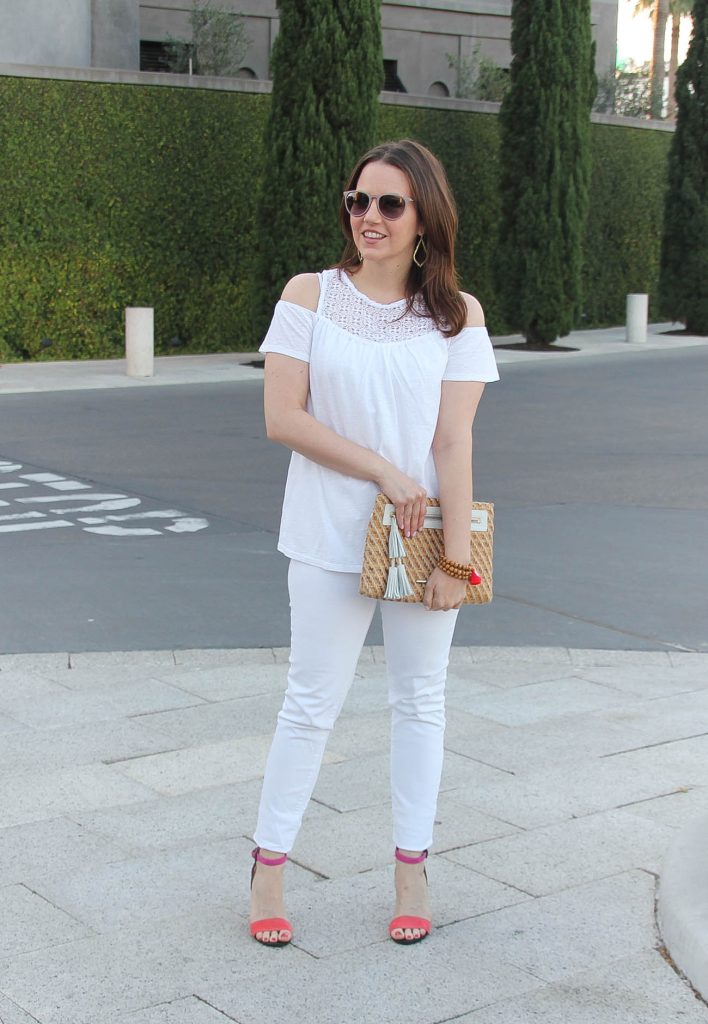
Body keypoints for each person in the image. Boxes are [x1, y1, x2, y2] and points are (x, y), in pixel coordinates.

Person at [250, 138, 499, 948]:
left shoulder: (458, 317)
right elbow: (284, 418)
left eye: (390, 203)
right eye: (358, 200)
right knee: (310, 703)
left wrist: (457, 560)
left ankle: (411, 871)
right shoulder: (309, 297)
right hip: (327, 533)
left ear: (423, 216)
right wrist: (386, 473)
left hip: (425, 539)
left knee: (421, 703)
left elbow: (454, 443)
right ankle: (270, 871)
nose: (370, 217)